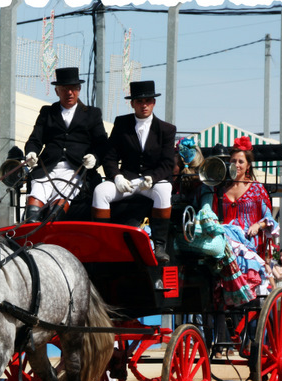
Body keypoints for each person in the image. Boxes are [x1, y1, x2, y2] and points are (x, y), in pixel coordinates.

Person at [91, 80, 176, 264]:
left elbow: (168, 163)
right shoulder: (122, 123)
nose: (144, 105)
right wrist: (117, 176)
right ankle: (102, 242)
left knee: (164, 190)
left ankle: (160, 245)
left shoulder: (167, 129)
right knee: (100, 191)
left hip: (151, 183)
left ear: (154, 102)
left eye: (148, 101)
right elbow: (109, 157)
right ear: (132, 104)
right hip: (127, 181)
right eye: (139, 101)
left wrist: (153, 178)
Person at [23, 67, 109, 222]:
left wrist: (95, 157)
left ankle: (52, 226)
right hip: (47, 168)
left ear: (79, 89)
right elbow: (35, 139)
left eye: (73, 88)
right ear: (57, 91)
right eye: (64, 89)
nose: (69, 93)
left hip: (75, 170)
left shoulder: (92, 113)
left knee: (55, 211)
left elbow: (102, 144)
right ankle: (30, 229)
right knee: (33, 208)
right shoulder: (47, 112)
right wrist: (31, 152)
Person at [212, 136, 278, 258]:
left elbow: (268, 218)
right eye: (233, 161)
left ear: (248, 166)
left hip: (249, 245)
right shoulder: (219, 188)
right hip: (225, 246)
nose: (236, 165)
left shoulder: (256, 188)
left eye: (241, 162)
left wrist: (257, 225)